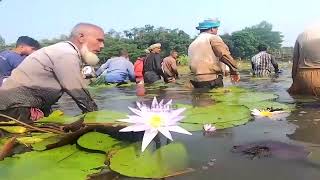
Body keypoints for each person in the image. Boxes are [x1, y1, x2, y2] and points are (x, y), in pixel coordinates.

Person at [0, 23, 104, 123]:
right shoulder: (66, 53)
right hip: (15, 108)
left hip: (20, 105)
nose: (102, 45)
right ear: (81, 37)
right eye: (99, 40)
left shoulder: (62, 50)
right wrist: (96, 117)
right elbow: (76, 90)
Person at [188, 18, 240, 89]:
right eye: (217, 29)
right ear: (212, 29)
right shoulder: (213, 38)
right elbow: (224, 55)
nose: (217, 31)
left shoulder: (192, 44)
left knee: (201, 99)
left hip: (196, 81)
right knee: (216, 99)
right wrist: (234, 71)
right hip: (211, 80)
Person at [288, 24, 320, 96]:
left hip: (305, 79)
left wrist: (296, 84)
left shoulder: (301, 35)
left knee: (301, 105)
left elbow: (295, 64)